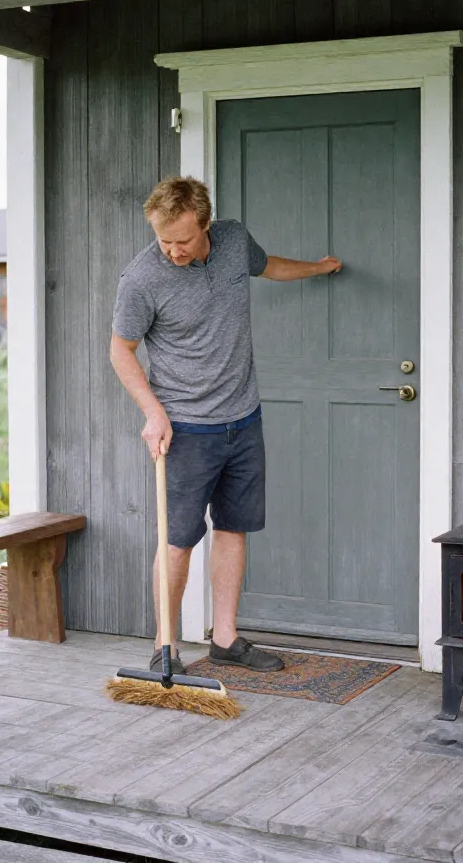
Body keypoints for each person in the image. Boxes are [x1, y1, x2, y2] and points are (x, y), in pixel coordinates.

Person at [110, 176, 342, 674]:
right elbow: (120, 351)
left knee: (234, 528)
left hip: (243, 418)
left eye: (182, 241)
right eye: (163, 240)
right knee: (179, 539)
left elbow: (268, 265)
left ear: (206, 225)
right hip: (187, 428)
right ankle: (165, 645)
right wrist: (153, 411)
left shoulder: (234, 241)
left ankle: (226, 638)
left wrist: (318, 269)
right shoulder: (141, 280)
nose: (171, 251)